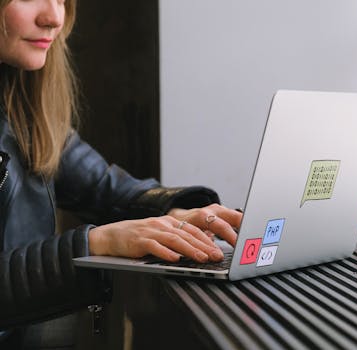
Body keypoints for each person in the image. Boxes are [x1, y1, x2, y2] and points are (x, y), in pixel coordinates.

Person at [0, 0, 242, 346]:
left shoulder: (22, 100)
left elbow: (104, 187)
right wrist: (98, 241)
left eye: (61, 0)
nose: (54, 17)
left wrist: (178, 214)